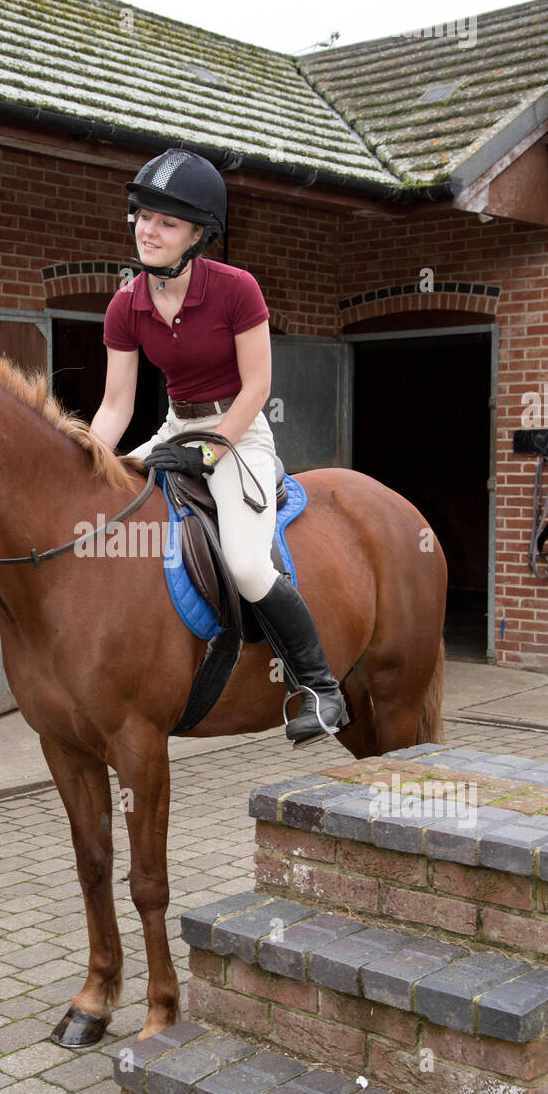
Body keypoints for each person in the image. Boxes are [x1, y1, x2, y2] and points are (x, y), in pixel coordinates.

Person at [90, 148, 347, 746]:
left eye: (166, 222)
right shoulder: (124, 304)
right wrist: (88, 458)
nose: (147, 230)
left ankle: (319, 687)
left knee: (248, 563)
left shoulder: (236, 290)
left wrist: (211, 449)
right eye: (143, 216)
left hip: (239, 433)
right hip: (175, 427)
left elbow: (258, 386)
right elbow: (116, 406)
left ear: (197, 235)